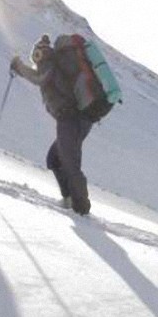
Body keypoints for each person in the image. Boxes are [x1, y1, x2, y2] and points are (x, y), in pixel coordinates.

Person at [10, 35, 93, 215]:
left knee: (69, 162)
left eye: (36, 54)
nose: (36, 58)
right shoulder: (55, 64)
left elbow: (39, 77)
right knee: (55, 159)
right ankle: (69, 200)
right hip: (74, 119)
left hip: (70, 118)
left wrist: (19, 67)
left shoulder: (49, 63)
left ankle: (80, 208)